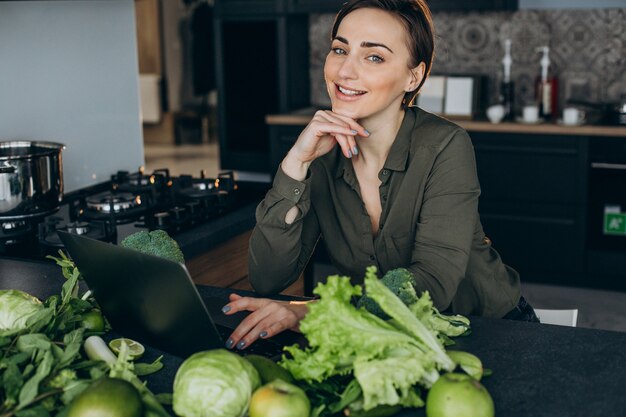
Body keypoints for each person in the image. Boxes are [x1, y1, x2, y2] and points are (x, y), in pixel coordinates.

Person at [221, 0, 538, 351]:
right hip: (383, 335)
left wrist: (312, 312)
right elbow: (267, 278)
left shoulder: (445, 145)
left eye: (374, 57)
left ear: (412, 76)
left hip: (485, 330)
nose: (344, 72)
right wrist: (296, 163)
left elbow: (432, 283)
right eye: (340, 50)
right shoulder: (321, 154)